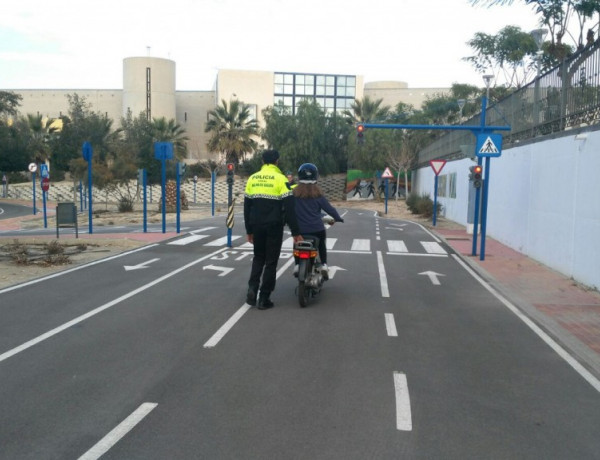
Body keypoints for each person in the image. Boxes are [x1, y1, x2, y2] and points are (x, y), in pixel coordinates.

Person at [244, 150, 302, 309]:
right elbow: (290, 208)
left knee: (258, 258)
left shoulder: (252, 178)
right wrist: (296, 232)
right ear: (277, 161)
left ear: (262, 160)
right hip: (274, 226)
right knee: (270, 262)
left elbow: (247, 207)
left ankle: (252, 289)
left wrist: (249, 230)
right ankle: (264, 298)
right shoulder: (280, 179)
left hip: (256, 225)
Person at [293, 163, 343, 279]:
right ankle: (324, 265)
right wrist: (338, 218)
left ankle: (296, 265)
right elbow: (329, 209)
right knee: (321, 244)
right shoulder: (318, 194)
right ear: (316, 177)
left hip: (299, 230)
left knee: (296, 242)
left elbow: (288, 210)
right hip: (317, 229)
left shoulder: (294, 194)